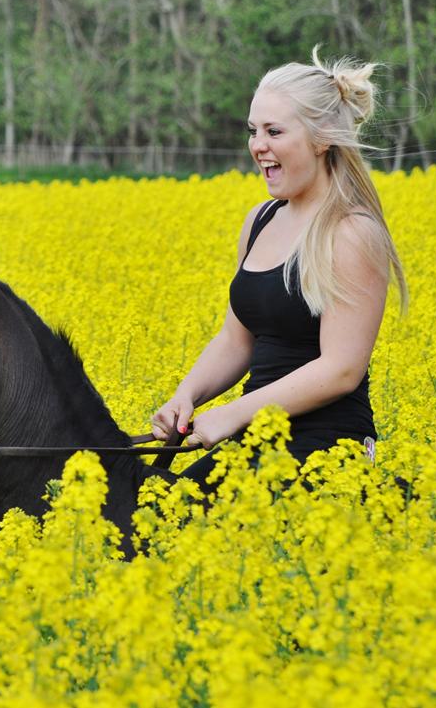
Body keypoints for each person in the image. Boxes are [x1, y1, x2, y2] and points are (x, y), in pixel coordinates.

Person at [151, 47, 408, 482]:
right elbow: (237, 340)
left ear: (322, 137)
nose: (258, 147)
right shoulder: (261, 220)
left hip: (325, 447)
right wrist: (187, 395)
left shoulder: (351, 231)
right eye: (253, 131)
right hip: (253, 438)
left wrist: (233, 413)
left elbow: (341, 370)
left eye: (274, 131)